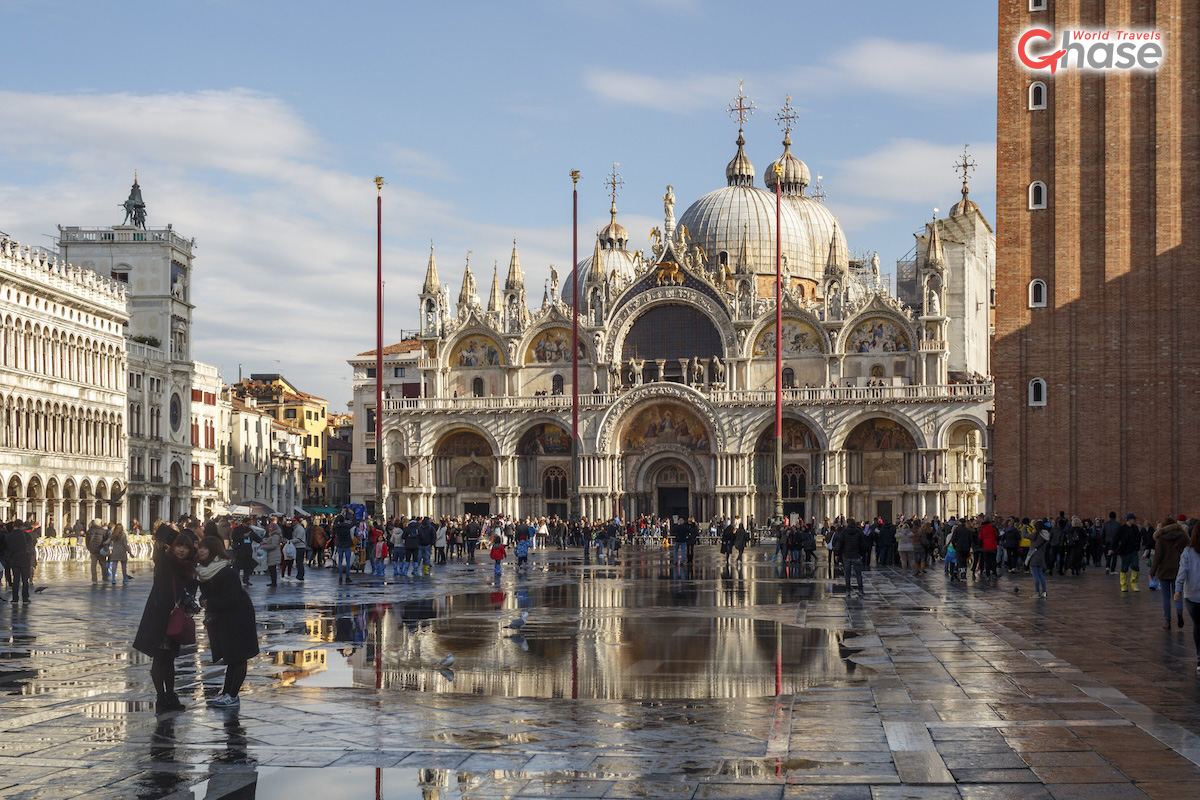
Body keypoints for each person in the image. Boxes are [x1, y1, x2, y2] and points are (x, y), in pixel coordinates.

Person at [133, 533, 199, 714]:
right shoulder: (165, 562)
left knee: (169, 659)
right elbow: (161, 535)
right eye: (179, 546)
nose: (182, 550)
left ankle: (170, 695)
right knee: (159, 658)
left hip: (174, 620)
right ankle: (161, 697)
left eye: (186, 547)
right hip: (159, 617)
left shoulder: (190, 568)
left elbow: (189, 591)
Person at [195, 536, 260, 709]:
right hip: (224, 618)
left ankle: (232, 695)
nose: (201, 551)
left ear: (213, 550)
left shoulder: (225, 571)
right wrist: (204, 600)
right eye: (200, 547)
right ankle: (226, 693)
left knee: (239, 657)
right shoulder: (205, 571)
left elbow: (231, 598)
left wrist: (209, 602)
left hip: (238, 617)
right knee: (232, 658)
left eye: (205, 548)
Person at [1152, 516, 1189, 630]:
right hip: (1178, 569)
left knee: (1165, 596)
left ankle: (1167, 621)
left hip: (1164, 570)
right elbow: (1188, 551)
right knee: (1177, 593)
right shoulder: (1183, 536)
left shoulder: (1161, 537)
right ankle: (1179, 612)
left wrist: (1152, 571)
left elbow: (1158, 556)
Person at [1172, 523, 1200, 674]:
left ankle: (1199, 658)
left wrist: (1178, 589)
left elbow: (1182, 571)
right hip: (1193, 594)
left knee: (1197, 625)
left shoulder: (1188, 551)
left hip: (1192, 594)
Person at [835, 518, 868, 598]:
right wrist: (862, 554)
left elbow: (840, 544)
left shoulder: (844, 532)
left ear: (847, 523)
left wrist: (837, 554)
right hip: (856, 555)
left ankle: (848, 590)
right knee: (858, 574)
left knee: (847, 574)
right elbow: (863, 544)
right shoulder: (859, 532)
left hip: (846, 555)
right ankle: (860, 590)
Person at [3, 521, 34, 602]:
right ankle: (25, 598)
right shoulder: (26, 535)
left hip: (14, 560)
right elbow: (30, 547)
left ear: (13, 526)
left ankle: (15, 598)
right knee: (25, 580)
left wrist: (8, 558)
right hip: (24, 559)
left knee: (16, 579)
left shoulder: (9, 536)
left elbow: (6, 548)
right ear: (21, 526)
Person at [1111, 513, 1142, 592]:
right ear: (1129, 520)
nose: (1134, 520)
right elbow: (1115, 538)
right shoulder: (1122, 528)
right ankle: (1124, 585)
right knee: (1124, 567)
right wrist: (1112, 548)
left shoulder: (1135, 528)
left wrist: (1137, 546)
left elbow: (1138, 537)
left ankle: (1134, 583)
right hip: (1125, 551)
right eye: (1133, 519)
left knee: (1135, 566)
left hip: (1133, 550)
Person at [1026, 523, 1051, 598]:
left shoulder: (1035, 535)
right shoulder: (1046, 536)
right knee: (1041, 575)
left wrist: (1024, 527)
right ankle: (1044, 592)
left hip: (1034, 556)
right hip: (1041, 557)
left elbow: (1025, 535)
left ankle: (1037, 592)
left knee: (1035, 576)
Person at [331, 512, 356, 584]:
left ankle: (340, 577)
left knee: (340, 561)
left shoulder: (337, 526)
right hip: (347, 544)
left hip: (339, 544)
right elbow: (354, 522)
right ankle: (347, 577)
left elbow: (335, 522)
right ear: (344, 520)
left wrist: (339, 515)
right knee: (348, 562)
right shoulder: (347, 526)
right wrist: (353, 514)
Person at [86, 518, 112, 585]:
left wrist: (89, 548)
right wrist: (105, 545)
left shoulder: (89, 531)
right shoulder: (103, 531)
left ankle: (94, 579)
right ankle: (104, 578)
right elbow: (107, 539)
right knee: (103, 564)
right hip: (100, 549)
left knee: (93, 565)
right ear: (99, 523)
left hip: (93, 550)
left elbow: (87, 541)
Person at [261, 522, 282, 587]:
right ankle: (273, 582)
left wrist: (264, 546)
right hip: (272, 554)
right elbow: (270, 541)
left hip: (274, 554)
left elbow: (274, 545)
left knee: (272, 569)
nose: (269, 529)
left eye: (270, 527)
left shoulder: (275, 535)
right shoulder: (273, 535)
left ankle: (274, 582)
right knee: (271, 568)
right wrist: (264, 542)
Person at [290, 517, 308, 581]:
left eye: (294, 521)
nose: (292, 522)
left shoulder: (299, 528)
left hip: (300, 547)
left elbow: (299, 538)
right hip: (298, 546)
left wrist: (290, 541)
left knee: (299, 562)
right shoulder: (296, 528)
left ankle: (300, 575)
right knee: (299, 562)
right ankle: (300, 575)